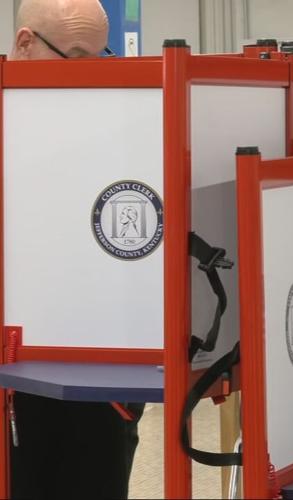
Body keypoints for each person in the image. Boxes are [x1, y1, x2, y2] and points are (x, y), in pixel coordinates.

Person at [7, 1, 143, 498]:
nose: (89, 74)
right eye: (75, 56)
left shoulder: (122, 123)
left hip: (98, 376)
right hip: (14, 378)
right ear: (25, 43)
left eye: (98, 57)